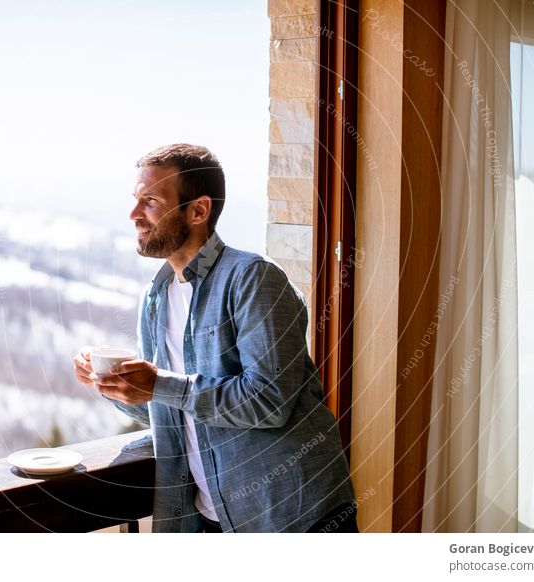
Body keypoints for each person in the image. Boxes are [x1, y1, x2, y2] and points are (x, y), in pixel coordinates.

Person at [74, 144, 356, 533]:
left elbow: (269, 400)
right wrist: (116, 386)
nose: (134, 214)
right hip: (210, 519)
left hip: (293, 518)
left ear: (199, 210)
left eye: (151, 201)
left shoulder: (252, 279)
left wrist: (159, 384)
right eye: (136, 200)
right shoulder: (155, 299)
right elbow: (170, 411)